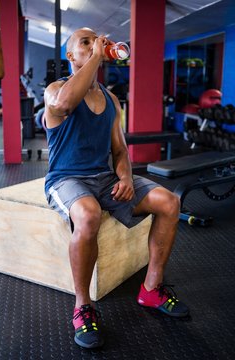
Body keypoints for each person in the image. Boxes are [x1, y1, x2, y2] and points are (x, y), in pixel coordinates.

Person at [44, 27, 189, 349]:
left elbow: (120, 151)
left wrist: (124, 177)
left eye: (96, 41)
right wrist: (96, 56)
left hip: (105, 177)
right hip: (67, 179)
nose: (95, 44)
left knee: (168, 201)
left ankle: (151, 289)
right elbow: (65, 106)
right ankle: (83, 306)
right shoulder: (55, 89)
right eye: (85, 42)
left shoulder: (111, 99)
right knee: (88, 214)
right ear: (71, 56)